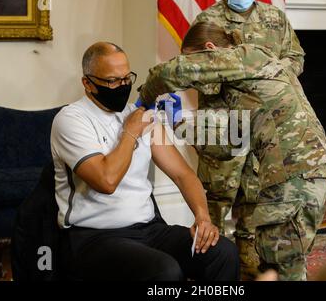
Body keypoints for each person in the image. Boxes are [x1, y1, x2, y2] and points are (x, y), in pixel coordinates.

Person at [138, 23, 326, 280]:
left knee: (281, 267)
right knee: (280, 262)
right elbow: (227, 146)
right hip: (292, 177)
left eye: (193, 57)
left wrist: (144, 97)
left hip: (295, 174)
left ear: (210, 50)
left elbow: (174, 71)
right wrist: (177, 121)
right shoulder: (239, 87)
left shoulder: (250, 56)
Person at [50, 42, 240, 281]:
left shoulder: (141, 116)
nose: (122, 86)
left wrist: (202, 217)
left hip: (149, 229)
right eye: (112, 81)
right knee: (165, 271)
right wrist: (129, 132)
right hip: (94, 237)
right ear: (88, 83)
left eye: (127, 78)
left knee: (223, 252)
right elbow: (106, 181)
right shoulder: (71, 120)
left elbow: (183, 175)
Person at [188, 0, 306, 280]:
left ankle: (251, 272)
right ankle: (208, 272)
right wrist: (235, 76)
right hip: (220, 127)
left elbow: (296, 58)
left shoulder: (275, 18)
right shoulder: (207, 20)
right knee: (213, 204)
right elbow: (195, 71)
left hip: (261, 126)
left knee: (255, 206)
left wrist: (270, 76)